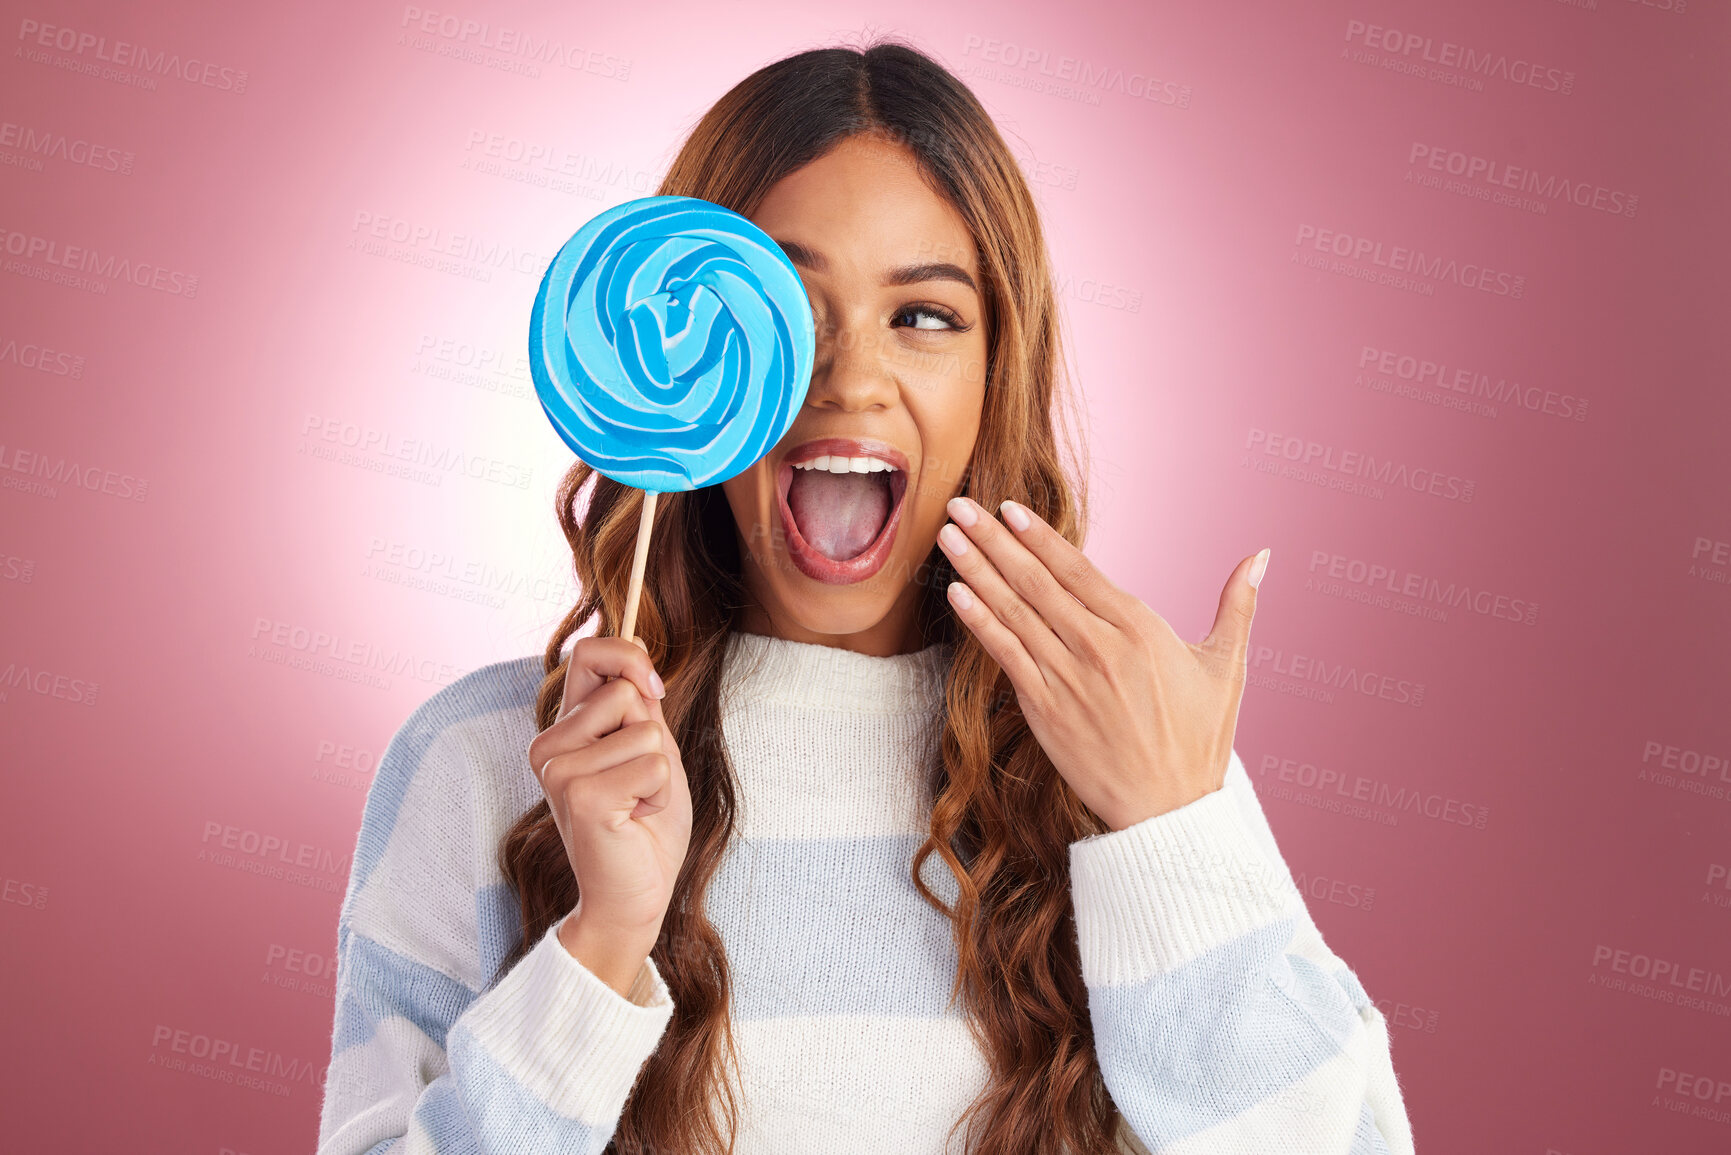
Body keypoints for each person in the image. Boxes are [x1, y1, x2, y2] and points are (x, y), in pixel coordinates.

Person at [316, 40, 1413, 1155]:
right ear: (679, 352)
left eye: (925, 316)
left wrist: (1175, 836)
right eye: (785, 308)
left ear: (1000, 376)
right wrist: (601, 947)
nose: (848, 377)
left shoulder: (1126, 750)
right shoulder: (487, 759)